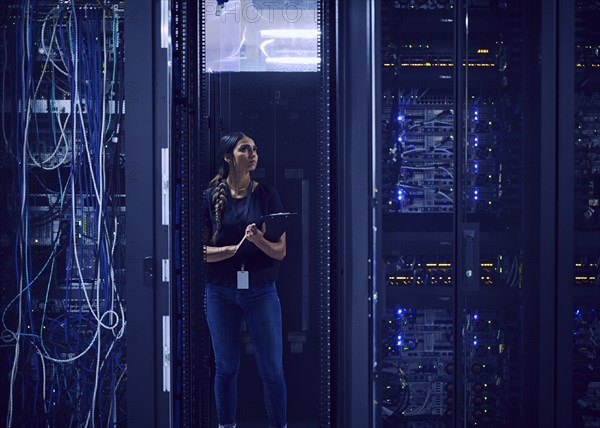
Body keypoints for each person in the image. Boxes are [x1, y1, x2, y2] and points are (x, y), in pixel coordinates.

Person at [203, 132, 288, 428]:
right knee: (226, 367)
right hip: (221, 292)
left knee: (273, 370)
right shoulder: (209, 197)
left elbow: (279, 252)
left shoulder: (267, 194)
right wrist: (234, 248)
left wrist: (258, 240)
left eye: (255, 149)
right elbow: (197, 252)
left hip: (260, 291)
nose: (253, 154)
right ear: (228, 157)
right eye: (245, 149)